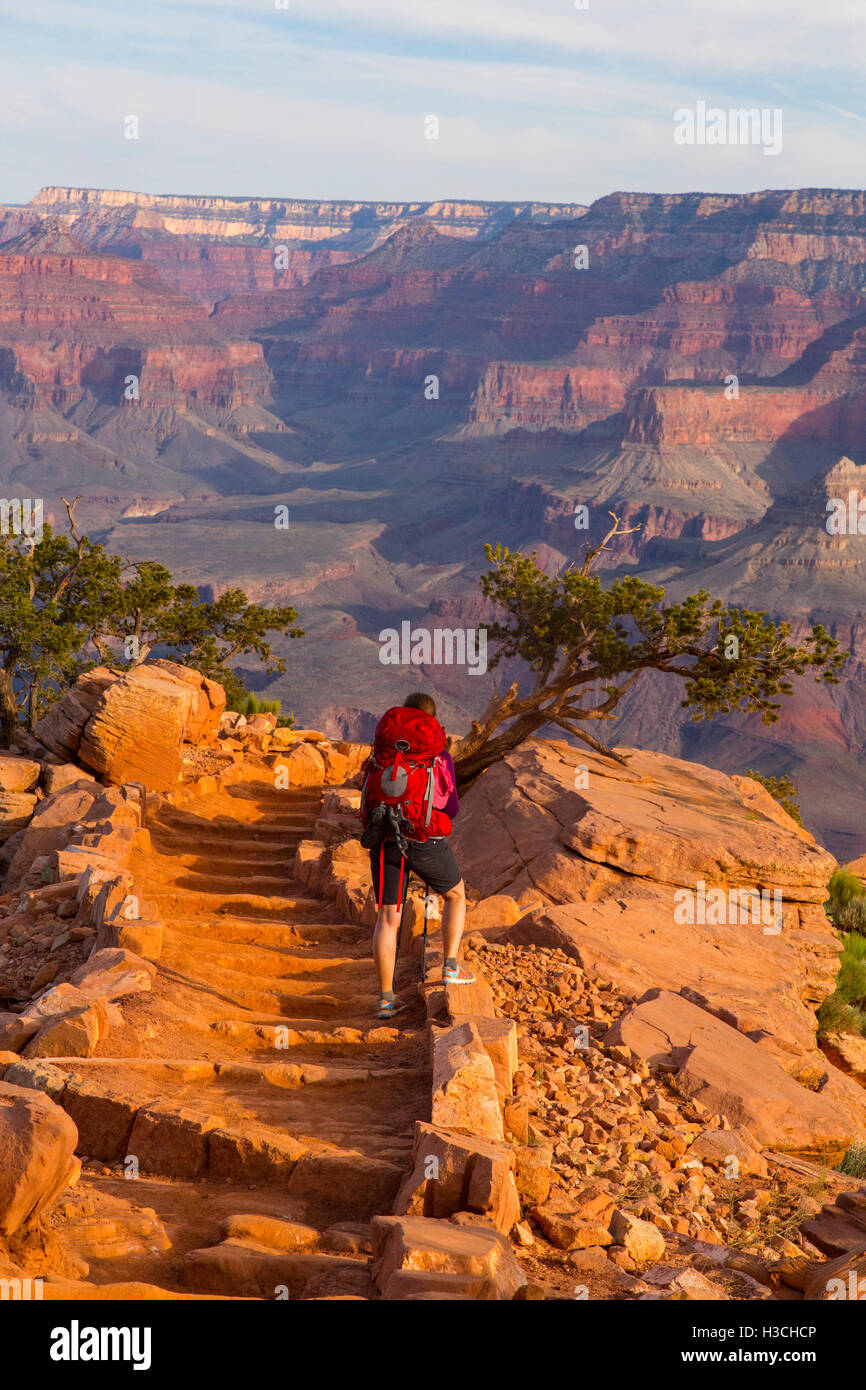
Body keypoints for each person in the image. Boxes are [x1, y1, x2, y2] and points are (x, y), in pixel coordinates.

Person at [365, 691, 475, 1018]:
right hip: (423, 839)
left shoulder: (382, 752)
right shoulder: (439, 757)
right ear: (431, 719)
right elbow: (451, 808)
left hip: (385, 837)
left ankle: (386, 999)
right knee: (456, 895)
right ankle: (451, 967)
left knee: (388, 918)